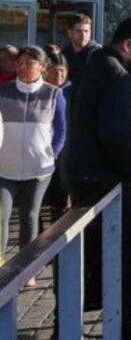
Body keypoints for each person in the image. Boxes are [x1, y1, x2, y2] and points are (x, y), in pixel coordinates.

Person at [62, 18, 131, 340]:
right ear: (128, 45)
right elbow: (117, 136)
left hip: (82, 173)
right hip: (107, 180)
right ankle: (122, 325)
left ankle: (68, 323)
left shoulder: (91, 67)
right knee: (123, 251)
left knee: (86, 254)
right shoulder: (118, 76)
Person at [0, 47, 67, 273]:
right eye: (19, 63)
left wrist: (53, 153)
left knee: (29, 215)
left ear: (42, 67)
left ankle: (26, 269)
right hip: (4, 167)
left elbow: (61, 130)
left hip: (39, 168)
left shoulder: (53, 94)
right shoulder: (3, 92)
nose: (22, 67)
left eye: (29, 63)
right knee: (1, 214)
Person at [42, 50, 72, 225]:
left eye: (62, 70)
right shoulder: (41, 90)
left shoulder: (72, 91)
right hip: (42, 149)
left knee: (61, 200)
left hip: (65, 152)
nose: (58, 75)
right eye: (54, 70)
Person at [62, 13, 100, 88]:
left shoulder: (98, 54)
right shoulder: (64, 55)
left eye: (86, 31)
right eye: (79, 31)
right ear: (69, 33)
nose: (83, 35)